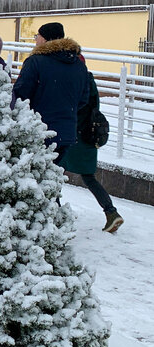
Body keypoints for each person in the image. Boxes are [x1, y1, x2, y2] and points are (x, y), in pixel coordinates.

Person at [12, 22, 89, 167]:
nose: (36, 40)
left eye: (37, 36)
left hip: (38, 131)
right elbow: (84, 98)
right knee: (52, 175)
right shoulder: (78, 64)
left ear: (45, 39)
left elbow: (20, 94)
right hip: (67, 133)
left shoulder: (35, 62)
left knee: (32, 176)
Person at [59, 69, 124, 233]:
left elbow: (71, 107)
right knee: (88, 177)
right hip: (89, 135)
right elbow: (93, 106)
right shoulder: (88, 80)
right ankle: (111, 212)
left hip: (73, 135)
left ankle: (56, 214)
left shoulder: (72, 80)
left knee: (55, 172)